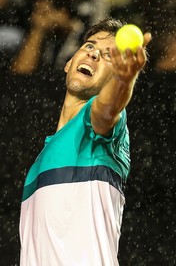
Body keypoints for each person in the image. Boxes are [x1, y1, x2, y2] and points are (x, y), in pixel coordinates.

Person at [19, 18, 151, 266]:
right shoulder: (42, 158)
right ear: (68, 63)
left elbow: (106, 110)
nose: (93, 55)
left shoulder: (102, 125)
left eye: (108, 56)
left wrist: (123, 80)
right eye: (89, 46)